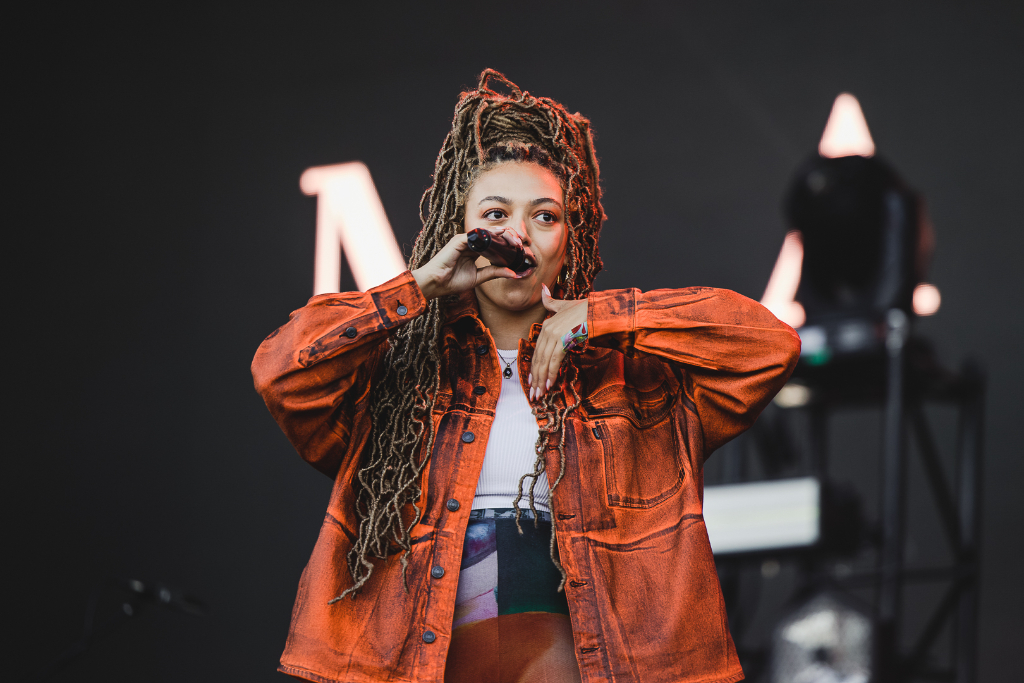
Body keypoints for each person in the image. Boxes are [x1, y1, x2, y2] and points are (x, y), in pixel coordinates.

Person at [252, 69, 800, 683]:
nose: (517, 234)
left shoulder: (635, 379)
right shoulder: (400, 377)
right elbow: (281, 373)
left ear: (570, 237)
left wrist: (599, 316)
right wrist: (420, 286)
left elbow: (769, 345)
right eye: (495, 214)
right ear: (460, 232)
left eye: (544, 216)